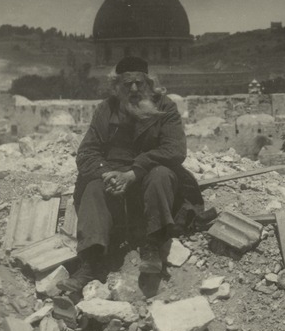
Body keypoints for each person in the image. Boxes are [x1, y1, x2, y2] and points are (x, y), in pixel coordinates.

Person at [57, 56, 206, 294]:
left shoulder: (165, 107)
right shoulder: (106, 109)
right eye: (128, 84)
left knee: (161, 175)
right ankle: (90, 262)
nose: (134, 89)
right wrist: (107, 174)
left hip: (149, 177)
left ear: (150, 84)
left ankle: (152, 247)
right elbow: (87, 153)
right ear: (117, 86)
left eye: (140, 83)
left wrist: (135, 172)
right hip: (113, 182)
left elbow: (175, 150)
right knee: (93, 188)